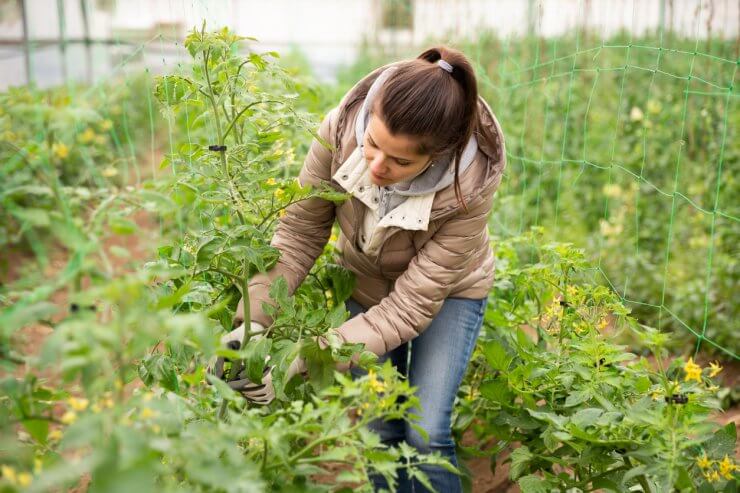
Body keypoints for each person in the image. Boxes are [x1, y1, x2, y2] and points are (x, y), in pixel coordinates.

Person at [217, 46, 506, 492]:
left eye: (400, 161)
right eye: (372, 144)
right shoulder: (338, 130)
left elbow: (410, 306)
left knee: (425, 433)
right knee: (378, 428)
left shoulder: (470, 186)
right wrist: (250, 325)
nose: (374, 166)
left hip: (447, 296)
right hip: (365, 283)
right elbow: (298, 235)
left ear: (439, 156)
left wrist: (307, 357)